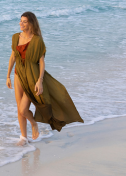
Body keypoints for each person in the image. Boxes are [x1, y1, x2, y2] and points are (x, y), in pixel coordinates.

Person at [6, 12, 84, 146]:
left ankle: (33, 123)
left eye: (24, 21)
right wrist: (7, 76)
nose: (21, 23)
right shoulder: (15, 37)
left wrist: (40, 80)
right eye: (20, 21)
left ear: (31, 23)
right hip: (18, 75)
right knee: (19, 108)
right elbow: (13, 56)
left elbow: (41, 62)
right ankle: (23, 138)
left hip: (32, 77)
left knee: (24, 109)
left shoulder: (37, 40)